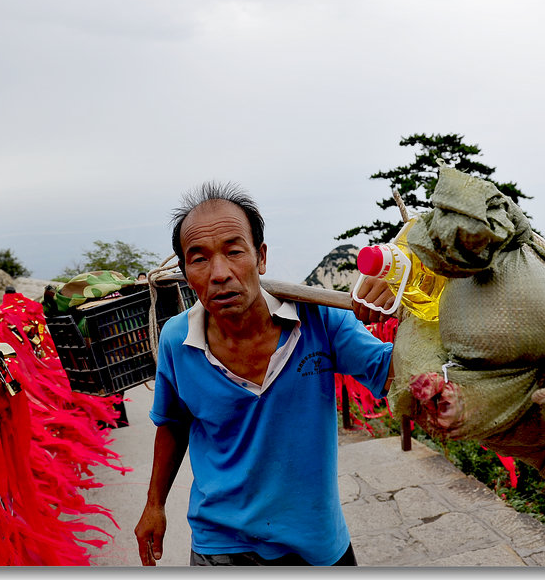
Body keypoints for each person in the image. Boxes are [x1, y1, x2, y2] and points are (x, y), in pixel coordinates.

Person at [134, 181, 395, 567]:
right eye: (199, 258)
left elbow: (395, 374)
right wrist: (154, 504)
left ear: (261, 257)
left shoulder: (321, 320)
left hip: (316, 543)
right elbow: (174, 422)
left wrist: (405, 302)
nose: (219, 273)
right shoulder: (177, 339)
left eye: (234, 251)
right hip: (220, 542)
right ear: (186, 271)